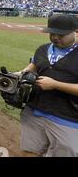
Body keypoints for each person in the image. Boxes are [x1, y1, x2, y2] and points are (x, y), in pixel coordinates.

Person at [18, 14, 78, 157]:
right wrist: (12, 76)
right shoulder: (43, 49)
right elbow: (29, 69)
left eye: (60, 34)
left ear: (75, 31)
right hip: (34, 112)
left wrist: (55, 85)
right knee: (29, 152)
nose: (55, 37)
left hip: (67, 118)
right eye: (52, 33)